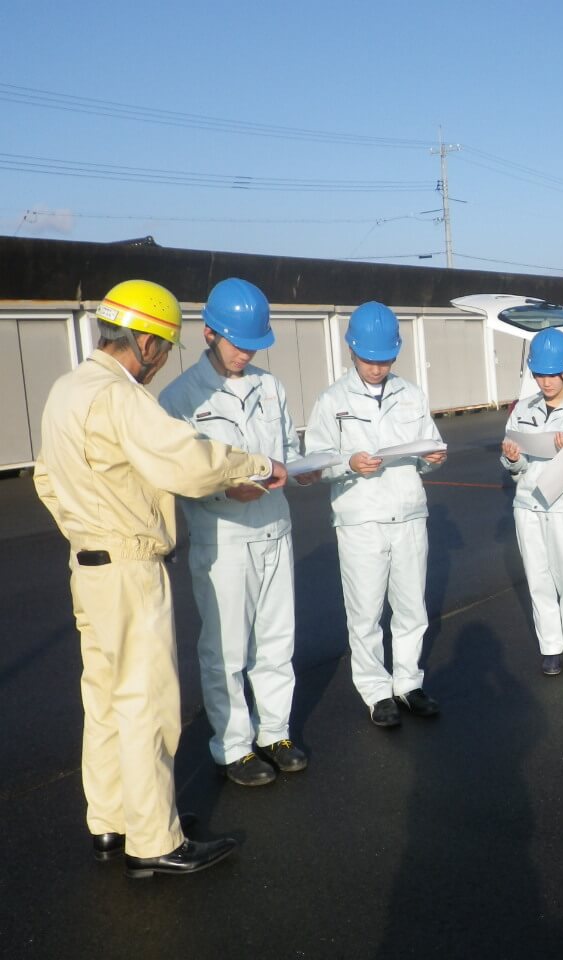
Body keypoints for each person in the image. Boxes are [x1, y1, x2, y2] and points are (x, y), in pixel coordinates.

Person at [34, 279, 287, 878]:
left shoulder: (67, 390)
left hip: (87, 563)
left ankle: (113, 821)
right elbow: (185, 458)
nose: (162, 362)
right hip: (128, 566)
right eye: (164, 349)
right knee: (148, 705)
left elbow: (46, 479)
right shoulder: (121, 398)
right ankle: (154, 840)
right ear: (144, 343)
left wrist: (86, 521)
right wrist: (256, 465)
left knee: (105, 701)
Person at [158, 278, 308, 787]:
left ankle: (275, 732)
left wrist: (298, 467)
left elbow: (286, 446)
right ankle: (234, 745)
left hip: (274, 527)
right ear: (208, 334)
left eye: (254, 345)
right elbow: (176, 473)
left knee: (276, 640)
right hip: (222, 538)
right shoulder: (179, 399)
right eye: (237, 343)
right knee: (225, 649)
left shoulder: (272, 387)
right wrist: (224, 491)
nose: (246, 353)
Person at [304, 302, 447, 728]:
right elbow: (313, 461)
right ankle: (375, 690)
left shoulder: (412, 394)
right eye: (370, 359)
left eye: (385, 359)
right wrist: (347, 464)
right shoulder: (331, 401)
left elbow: (428, 448)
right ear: (352, 351)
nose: (378, 367)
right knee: (365, 613)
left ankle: (408, 683)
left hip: (408, 514)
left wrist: (434, 457)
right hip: (360, 519)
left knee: (410, 608)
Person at [500, 328, 563, 676]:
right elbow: (514, 466)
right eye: (539, 374)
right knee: (538, 577)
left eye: (552, 374)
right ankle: (551, 648)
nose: (545, 382)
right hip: (529, 504)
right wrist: (513, 457)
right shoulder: (523, 410)